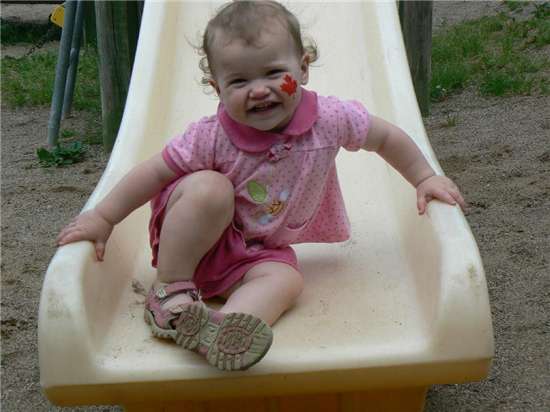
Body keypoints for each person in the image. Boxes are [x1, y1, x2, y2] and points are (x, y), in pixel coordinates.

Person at [57, 0, 466, 372]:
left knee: (287, 280)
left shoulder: (331, 119)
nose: (259, 89)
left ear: (302, 68)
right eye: (238, 82)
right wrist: (103, 218)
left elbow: (386, 138)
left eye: (274, 73)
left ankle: (222, 329)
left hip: (253, 255)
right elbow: (153, 173)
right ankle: (170, 293)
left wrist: (424, 177)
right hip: (196, 242)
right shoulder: (211, 135)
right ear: (218, 89)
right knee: (210, 189)